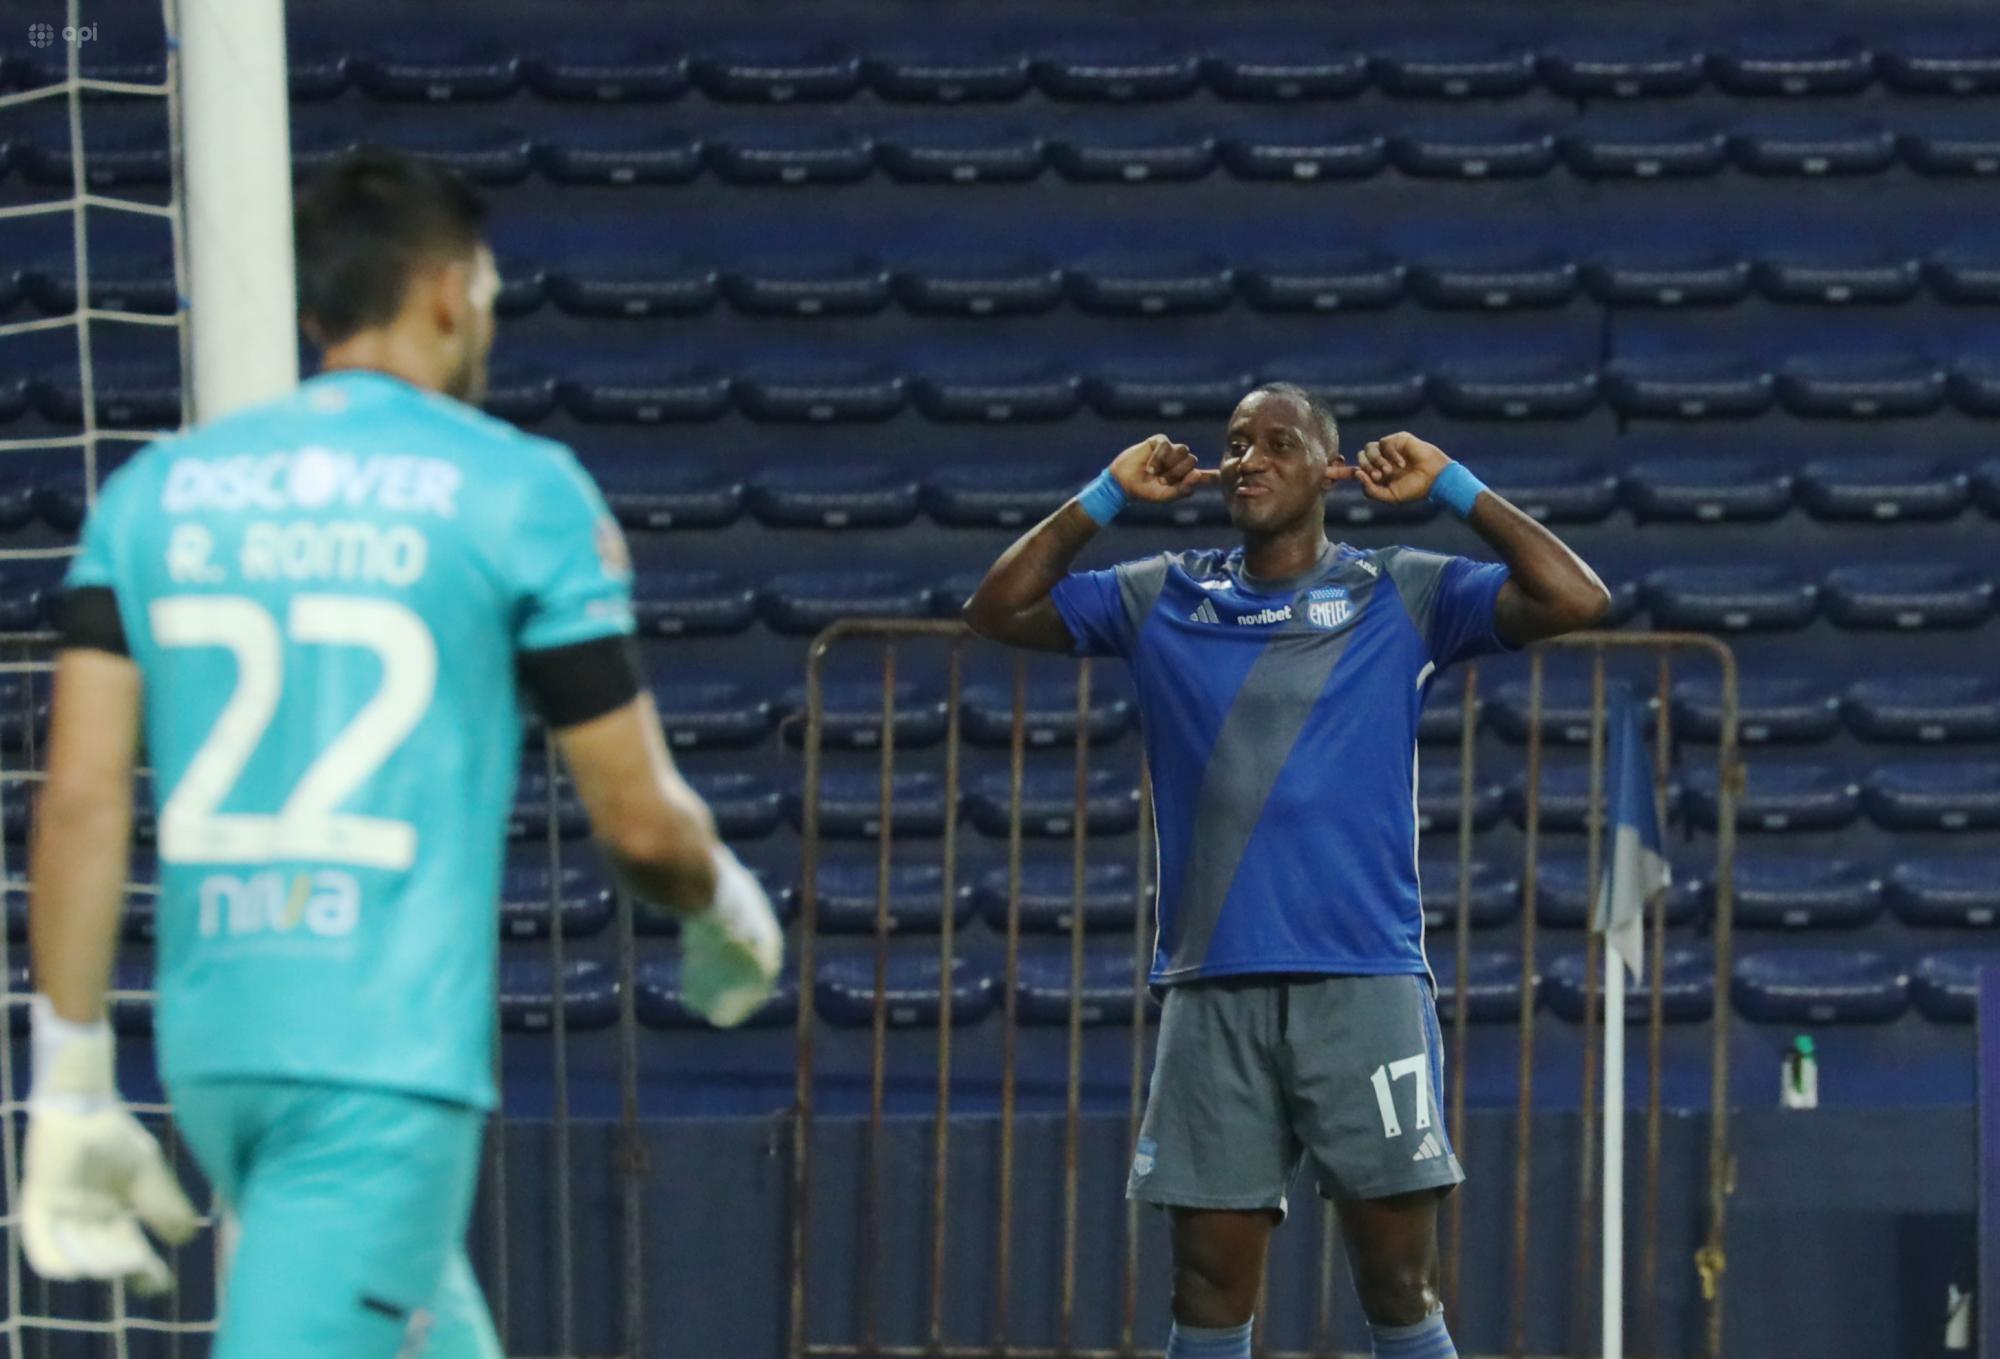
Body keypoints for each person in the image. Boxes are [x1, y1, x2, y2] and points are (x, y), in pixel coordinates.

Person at [18, 149, 782, 1358]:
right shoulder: (515, 491)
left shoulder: (155, 492)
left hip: (216, 1052)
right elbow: (639, 825)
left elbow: (78, 800)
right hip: (378, 1065)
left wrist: (67, 1066)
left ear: (318, 310)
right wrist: (725, 904)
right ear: (446, 291)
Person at [963, 383, 1609, 1359]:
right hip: (1212, 991)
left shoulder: (1400, 590)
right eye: (1235, 444)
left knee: (1398, 1284)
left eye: (1277, 443)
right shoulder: (1162, 594)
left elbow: (1577, 597)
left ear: (1328, 469)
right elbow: (996, 608)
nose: (1248, 459)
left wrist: (1451, 483)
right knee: (1206, 1286)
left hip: (1364, 985)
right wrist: (1106, 492)